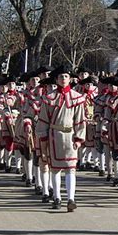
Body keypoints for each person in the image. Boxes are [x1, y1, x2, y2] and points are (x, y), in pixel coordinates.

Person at [36, 65, 86, 212]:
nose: (63, 79)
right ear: (56, 80)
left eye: (66, 76)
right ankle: (57, 197)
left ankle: (71, 198)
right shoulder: (49, 98)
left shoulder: (77, 98)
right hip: (54, 135)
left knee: (71, 169)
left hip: (70, 135)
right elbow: (43, 120)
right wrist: (43, 141)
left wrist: (79, 138)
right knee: (55, 168)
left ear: (70, 79)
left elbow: (80, 119)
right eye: (60, 77)